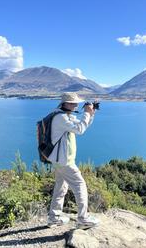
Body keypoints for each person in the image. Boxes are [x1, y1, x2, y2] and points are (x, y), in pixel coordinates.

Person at [47, 92, 100, 229]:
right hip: (65, 162)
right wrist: (86, 113)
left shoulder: (64, 115)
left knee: (61, 187)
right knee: (80, 185)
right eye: (73, 103)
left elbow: (82, 124)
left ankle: (54, 218)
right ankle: (83, 219)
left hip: (59, 160)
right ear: (65, 103)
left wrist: (91, 113)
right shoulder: (61, 118)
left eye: (76, 103)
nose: (76, 105)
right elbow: (80, 129)